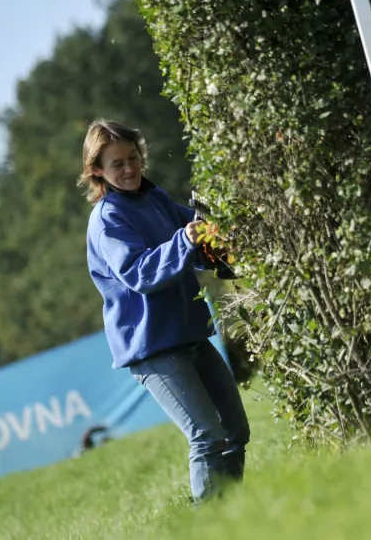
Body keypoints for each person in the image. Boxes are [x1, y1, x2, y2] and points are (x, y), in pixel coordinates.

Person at [78, 119, 249, 503]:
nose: (129, 168)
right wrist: (185, 240)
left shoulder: (154, 198)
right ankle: (210, 524)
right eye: (117, 163)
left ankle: (232, 514)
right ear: (97, 171)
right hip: (153, 348)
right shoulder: (107, 220)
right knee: (206, 436)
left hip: (191, 334)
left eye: (133, 157)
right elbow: (139, 272)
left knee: (235, 431)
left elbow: (197, 237)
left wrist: (221, 238)